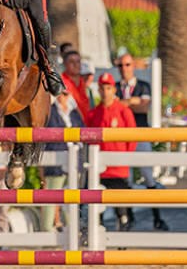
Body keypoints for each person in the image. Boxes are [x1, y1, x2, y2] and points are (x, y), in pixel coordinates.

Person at [115, 53, 168, 231]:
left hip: (141, 133)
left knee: (147, 175)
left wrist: (124, 103)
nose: (124, 69)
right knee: (126, 177)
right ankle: (128, 219)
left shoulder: (143, 85)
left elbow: (145, 106)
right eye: (121, 65)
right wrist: (132, 102)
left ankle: (157, 218)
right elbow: (113, 107)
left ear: (133, 66)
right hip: (122, 136)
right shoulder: (115, 87)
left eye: (127, 65)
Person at [87, 72, 137, 231]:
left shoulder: (123, 111)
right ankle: (96, 243)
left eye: (108, 88)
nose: (105, 92)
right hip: (98, 169)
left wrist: (123, 160)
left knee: (121, 210)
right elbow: (87, 139)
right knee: (96, 211)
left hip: (118, 170)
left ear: (113, 89)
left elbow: (133, 138)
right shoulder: (93, 113)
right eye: (102, 88)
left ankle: (122, 243)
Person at [42, 87, 85, 232]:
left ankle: (71, 229)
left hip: (73, 160)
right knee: (52, 196)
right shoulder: (49, 110)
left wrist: (77, 145)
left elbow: (83, 131)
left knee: (71, 197)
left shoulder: (73, 112)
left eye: (65, 93)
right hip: (55, 159)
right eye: (59, 93)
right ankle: (47, 229)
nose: (62, 96)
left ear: (70, 95)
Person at [61, 51, 91, 123]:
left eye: (78, 61)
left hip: (85, 125)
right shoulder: (61, 82)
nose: (76, 64)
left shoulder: (83, 82)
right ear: (65, 64)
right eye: (72, 62)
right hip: (69, 126)